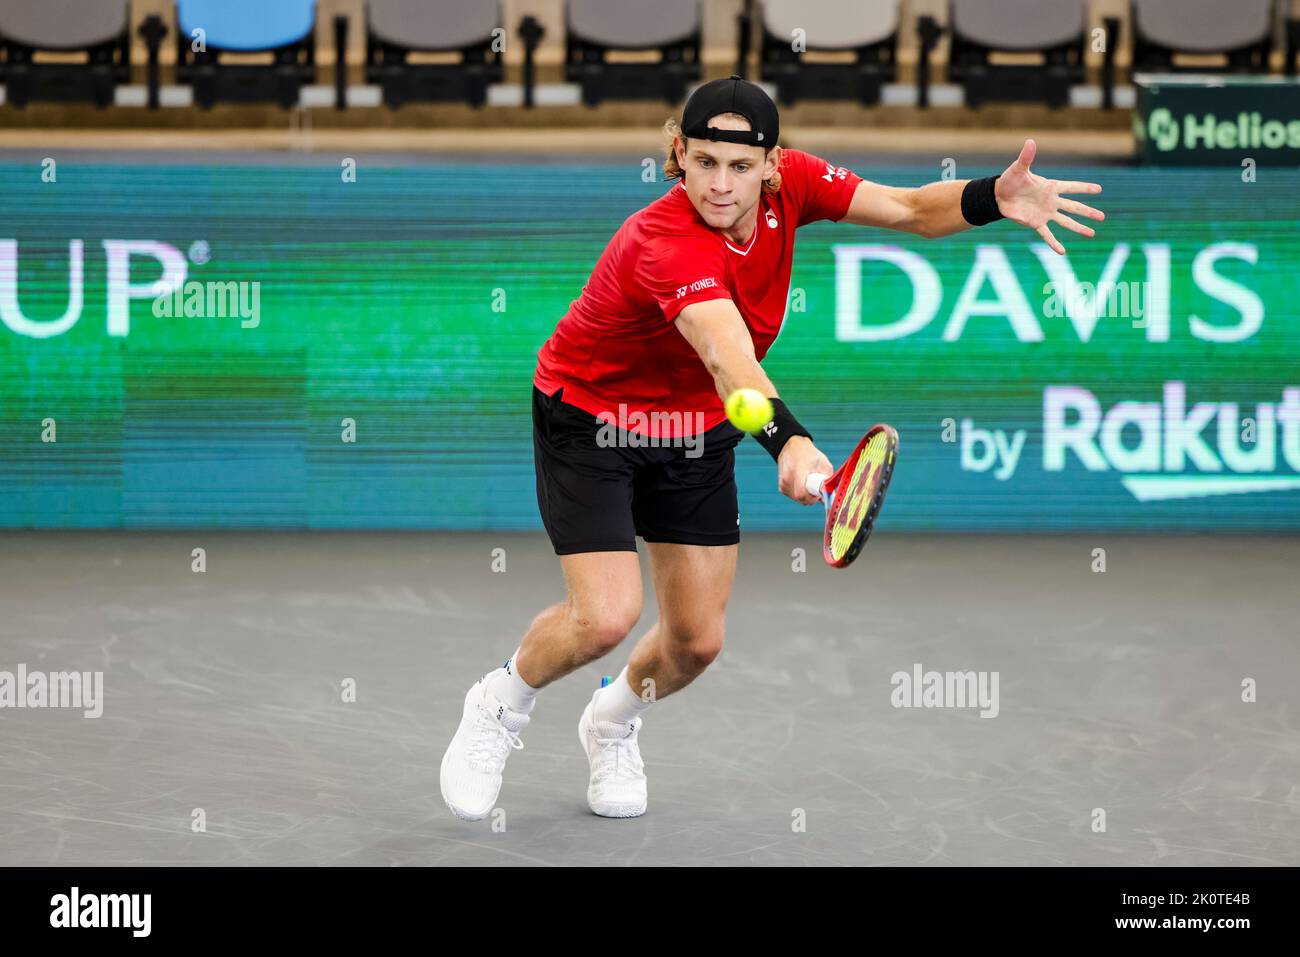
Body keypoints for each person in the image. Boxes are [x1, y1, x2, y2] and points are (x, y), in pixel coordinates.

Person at [440, 75, 1104, 820]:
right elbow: (729, 361)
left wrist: (991, 198)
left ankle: (613, 720)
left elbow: (914, 209)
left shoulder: (797, 186)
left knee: (694, 642)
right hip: (594, 416)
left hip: (694, 426)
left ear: (771, 165)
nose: (721, 184)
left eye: (740, 165)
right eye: (704, 163)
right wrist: (787, 441)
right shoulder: (664, 241)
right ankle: (501, 702)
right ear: (678, 156)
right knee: (605, 616)